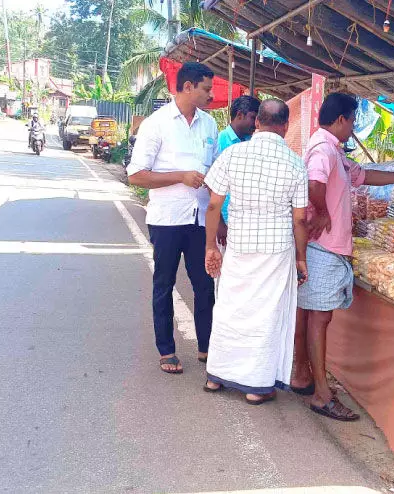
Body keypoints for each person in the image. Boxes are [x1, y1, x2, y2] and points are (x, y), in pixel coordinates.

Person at [290, 92, 394, 421]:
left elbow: (362, 176)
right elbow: (314, 184)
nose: (352, 129)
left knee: (310, 314)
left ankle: (302, 375)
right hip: (324, 247)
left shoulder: (332, 150)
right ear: (341, 120)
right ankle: (322, 394)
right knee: (319, 318)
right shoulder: (323, 149)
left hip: (325, 247)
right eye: (351, 122)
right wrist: (321, 212)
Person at [201, 99, 309, 405]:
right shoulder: (294, 163)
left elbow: (212, 203)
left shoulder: (233, 153)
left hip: (238, 243)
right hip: (276, 251)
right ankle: (255, 386)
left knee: (229, 308)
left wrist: (211, 246)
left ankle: (215, 376)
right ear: (286, 126)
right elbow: (299, 218)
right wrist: (301, 258)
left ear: (257, 122)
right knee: (265, 315)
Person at [127, 62, 219, 374]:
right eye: (206, 88)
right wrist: (181, 176)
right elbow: (136, 176)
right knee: (164, 284)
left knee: (205, 285)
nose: (211, 94)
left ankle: (207, 348)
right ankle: (167, 350)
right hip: (166, 220)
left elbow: (216, 169)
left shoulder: (209, 126)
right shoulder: (157, 123)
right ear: (188, 86)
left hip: (199, 220)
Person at [216, 95, 260, 245]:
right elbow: (210, 187)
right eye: (253, 118)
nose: (256, 124)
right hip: (225, 220)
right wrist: (219, 223)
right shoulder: (219, 142)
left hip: (247, 221)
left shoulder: (253, 144)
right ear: (239, 115)